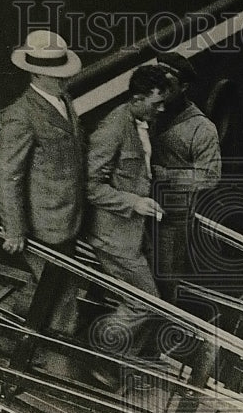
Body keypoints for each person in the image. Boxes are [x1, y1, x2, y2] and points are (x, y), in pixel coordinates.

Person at [0, 30, 86, 356]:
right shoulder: (21, 114)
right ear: (34, 72)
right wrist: (14, 228)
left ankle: (7, 341)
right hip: (44, 222)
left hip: (67, 216)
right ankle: (58, 364)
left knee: (47, 284)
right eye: (55, 73)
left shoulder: (64, 101)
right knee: (61, 293)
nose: (63, 79)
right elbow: (7, 174)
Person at [85, 64, 171, 360]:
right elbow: (90, 186)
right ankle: (100, 357)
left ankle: (123, 360)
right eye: (157, 102)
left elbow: (138, 170)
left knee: (151, 298)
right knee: (145, 303)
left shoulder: (140, 121)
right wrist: (133, 202)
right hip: (113, 237)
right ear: (136, 99)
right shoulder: (111, 130)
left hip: (131, 232)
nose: (161, 109)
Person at [150, 52, 222, 303]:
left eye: (167, 84)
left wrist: (166, 176)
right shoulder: (148, 106)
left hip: (171, 214)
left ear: (184, 87)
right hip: (138, 203)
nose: (159, 89)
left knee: (165, 277)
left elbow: (209, 176)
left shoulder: (201, 129)